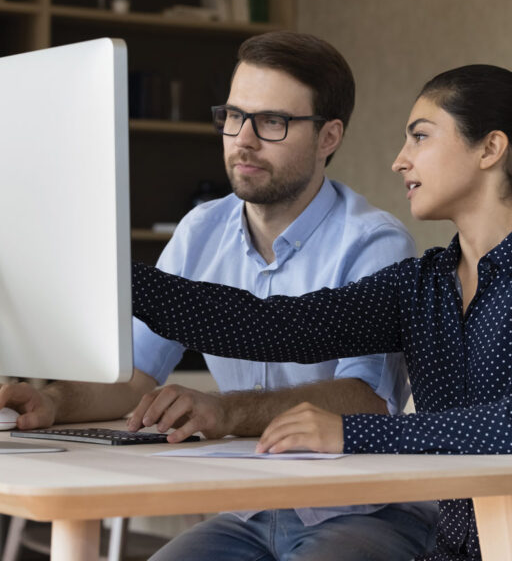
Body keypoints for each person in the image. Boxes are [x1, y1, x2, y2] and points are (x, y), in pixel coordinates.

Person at [132, 64, 512, 560]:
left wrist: (350, 432)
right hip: (461, 546)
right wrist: (118, 277)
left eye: (420, 137)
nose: (400, 160)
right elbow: (273, 326)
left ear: (490, 148)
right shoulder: (423, 283)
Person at [0, 32, 438, 561]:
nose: (243, 139)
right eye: (234, 116)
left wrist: (226, 412)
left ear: (329, 137)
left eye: (272, 122)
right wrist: (53, 402)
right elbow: (135, 374)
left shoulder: (374, 243)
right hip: (249, 510)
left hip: (361, 509)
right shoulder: (200, 230)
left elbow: (368, 401)